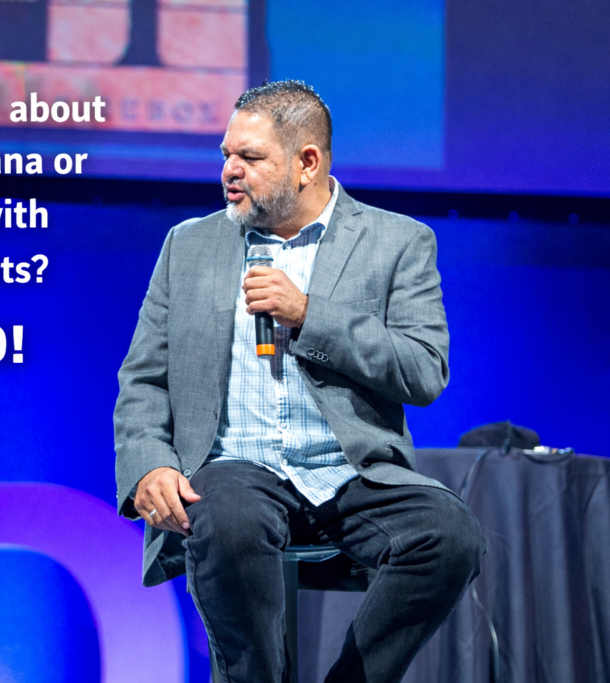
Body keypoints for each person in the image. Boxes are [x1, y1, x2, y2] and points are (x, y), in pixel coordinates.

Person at [113, 80, 485, 683]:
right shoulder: (190, 245)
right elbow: (144, 379)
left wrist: (312, 315)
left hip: (351, 473)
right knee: (225, 519)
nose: (231, 171)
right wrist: (150, 464)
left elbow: (423, 369)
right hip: (235, 468)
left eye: (251, 158)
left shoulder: (397, 242)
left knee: (451, 537)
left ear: (307, 162)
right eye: (226, 155)